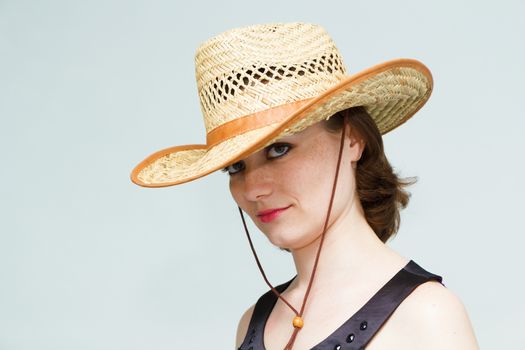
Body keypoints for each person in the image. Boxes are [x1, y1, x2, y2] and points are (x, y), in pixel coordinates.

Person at [130, 22, 479, 349]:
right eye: (235, 167)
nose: (252, 188)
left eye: (279, 149)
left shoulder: (425, 317)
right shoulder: (254, 322)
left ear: (351, 138)